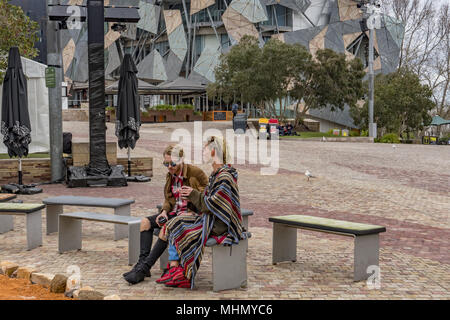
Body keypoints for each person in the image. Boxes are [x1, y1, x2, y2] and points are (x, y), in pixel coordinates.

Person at [155, 136, 247, 289]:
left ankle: (183, 272)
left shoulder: (224, 176)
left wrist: (193, 194)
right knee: (175, 222)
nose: (202, 153)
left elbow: (213, 205)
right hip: (210, 220)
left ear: (213, 152)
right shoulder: (216, 174)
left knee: (178, 224)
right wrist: (193, 198)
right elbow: (208, 202)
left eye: (204, 149)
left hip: (221, 225)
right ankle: (178, 271)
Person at [123, 144, 208, 284]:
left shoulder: (195, 173)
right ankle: (142, 264)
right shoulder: (170, 175)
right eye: (166, 163)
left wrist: (193, 196)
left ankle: (144, 268)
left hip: (189, 215)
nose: (169, 167)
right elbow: (169, 199)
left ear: (181, 160)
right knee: (145, 222)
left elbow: (207, 196)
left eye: (173, 163)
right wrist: (163, 212)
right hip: (174, 213)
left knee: (165, 229)